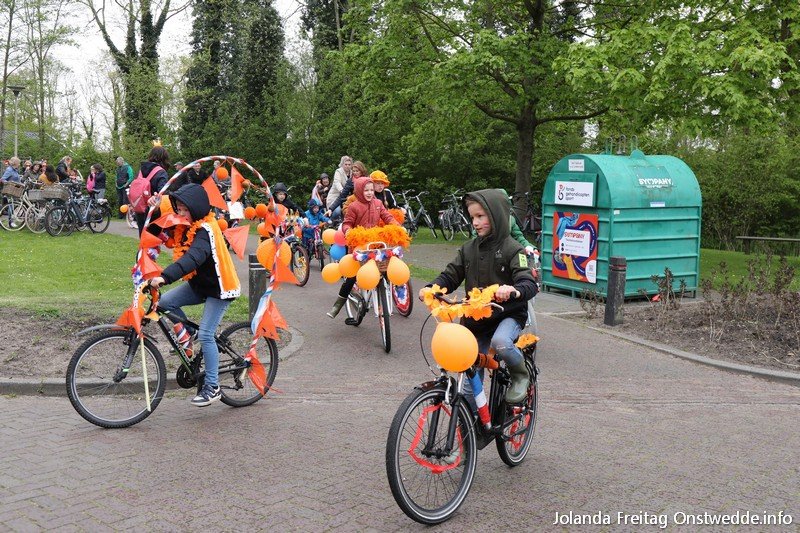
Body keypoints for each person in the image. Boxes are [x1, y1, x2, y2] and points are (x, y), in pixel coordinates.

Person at [418, 189, 537, 404]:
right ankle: (472, 421)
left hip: (507, 314)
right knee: (469, 372)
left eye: (481, 216)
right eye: (472, 217)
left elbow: (528, 282)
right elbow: (450, 275)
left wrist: (513, 290)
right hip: (476, 321)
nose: (475, 222)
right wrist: (431, 288)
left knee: (501, 342)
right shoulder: (468, 249)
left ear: (496, 216)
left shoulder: (514, 249)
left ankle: (520, 374)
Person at [147, 183, 241, 407]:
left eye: (184, 209)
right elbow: (157, 231)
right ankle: (190, 333)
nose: (180, 213)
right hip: (199, 285)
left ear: (196, 208)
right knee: (164, 302)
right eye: (178, 208)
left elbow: (193, 258)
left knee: (207, 334)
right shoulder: (185, 225)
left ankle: (213, 386)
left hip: (219, 288)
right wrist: (155, 210)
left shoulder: (206, 230)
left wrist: (165, 277)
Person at [327, 176, 399, 321]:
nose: (369, 193)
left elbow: (387, 217)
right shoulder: (354, 206)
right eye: (366, 190)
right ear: (360, 190)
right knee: (352, 276)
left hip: (375, 244)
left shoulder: (378, 203)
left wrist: (397, 226)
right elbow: (347, 223)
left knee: (385, 268)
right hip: (358, 246)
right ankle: (337, 305)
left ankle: (387, 295)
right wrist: (348, 231)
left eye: (371, 190)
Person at [134, 146, 171, 235]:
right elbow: (162, 193)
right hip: (153, 210)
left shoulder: (141, 170)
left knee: (143, 236)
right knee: (153, 237)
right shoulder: (161, 172)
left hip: (139, 207)